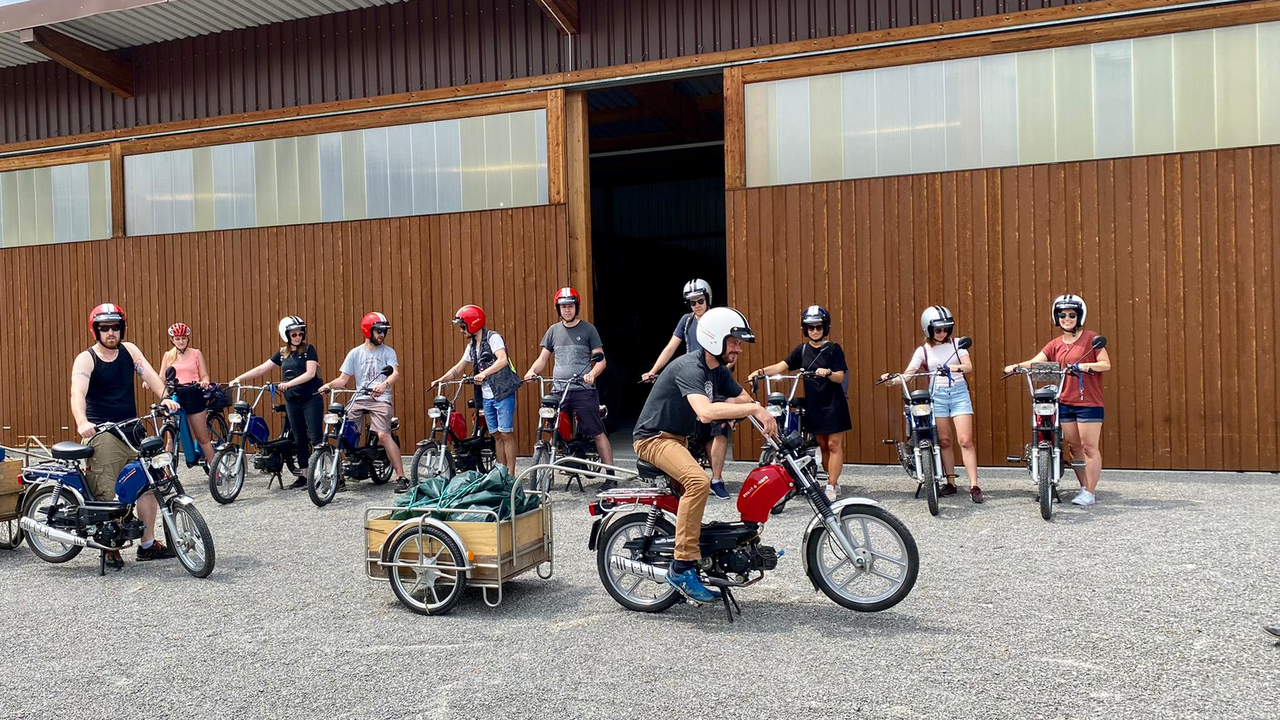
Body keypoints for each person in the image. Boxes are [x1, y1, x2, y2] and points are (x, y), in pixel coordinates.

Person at [633, 307, 777, 603]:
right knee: (699, 482)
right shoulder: (691, 367)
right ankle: (682, 567)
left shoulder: (717, 370)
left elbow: (744, 399)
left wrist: (767, 412)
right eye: (733, 341)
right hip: (654, 438)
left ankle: (701, 553)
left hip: (678, 440)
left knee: (693, 495)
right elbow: (706, 411)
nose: (738, 347)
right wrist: (752, 410)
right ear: (714, 339)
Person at [70, 303, 179, 563]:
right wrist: (82, 421)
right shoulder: (87, 358)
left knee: (149, 484)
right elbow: (77, 393)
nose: (110, 332)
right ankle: (110, 546)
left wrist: (165, 398)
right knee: (107, 490)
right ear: (95, 331)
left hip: (132, 428)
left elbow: (151, 376)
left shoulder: (129, 351)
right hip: (103, 432)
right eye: (104, 328)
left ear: (122, 328)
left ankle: (148, 543)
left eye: (115, 327)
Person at [1004, 294, 1112, 507]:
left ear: (1079, 316)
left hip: (1088, 403)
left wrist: (1085, 366)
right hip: (1065, 401)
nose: (1067, 318)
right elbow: (1037, 361)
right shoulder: (1055, 344)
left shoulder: (1091, 338)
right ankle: (1083, 486)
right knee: (1073, 447)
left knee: (1089, 446)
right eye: (1062, 315)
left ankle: (1090, 492)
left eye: (1072, 314)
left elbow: (1105, 364)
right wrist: (1016, 366)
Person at [641, 278, 736, 500]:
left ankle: (718, 479)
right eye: (692, 302)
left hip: (715, 378)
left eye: (700, 301)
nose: (697, 306)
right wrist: (653, 370)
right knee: (697, 432)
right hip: (693, 380)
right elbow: (671, 347)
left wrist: (724, 367)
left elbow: (730, 354)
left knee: (719, 430)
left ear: (708, 298)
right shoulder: (686, 322)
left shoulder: (718, 320)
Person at [749, 305, 851, 507]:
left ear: (825, 328)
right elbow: (781, 366)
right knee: (822, 445)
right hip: (814, 404)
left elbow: (840, 376)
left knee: (833, 445)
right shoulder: (802, 350)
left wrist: (828, 372)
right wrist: (759, 371)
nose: (814, 331)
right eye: (810, 327)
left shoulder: (833, 349)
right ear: (805, 329)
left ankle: (831, 485)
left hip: (834, 404)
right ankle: (830, 477)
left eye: (818, 327)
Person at [880, 306, 984, 503]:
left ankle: (974, 485)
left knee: (965, 440)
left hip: (959, 393)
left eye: (946, 329)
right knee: (944, 440)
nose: (942, 333)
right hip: (937, 396)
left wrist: (954, 367)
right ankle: (951, 482)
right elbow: (908, 375)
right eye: (938, 330)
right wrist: (890, 380)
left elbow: (968, 367)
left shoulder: (957, 344)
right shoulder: (923, 351)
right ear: (928, 329)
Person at [523, 287, 615, 488]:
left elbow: (601, 360)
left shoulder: (589, 330)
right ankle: (552, 468)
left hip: (583, 390)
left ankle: (611, 476)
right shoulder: (553, 331)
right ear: (558, 308)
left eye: (570, 306)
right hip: (559, 389)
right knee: (552, 426)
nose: (567, 310)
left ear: (576, 307)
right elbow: (542, 359)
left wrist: (592, 374)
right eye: (563, 307)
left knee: (596, 432)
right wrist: (532, 371)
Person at [318, 312, 410, 493]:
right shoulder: (355, 353)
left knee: (383, 435)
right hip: (360, 398)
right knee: (343, 432)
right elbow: (343, 379)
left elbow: (395, 373)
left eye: (384, 331)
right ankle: (340, 477)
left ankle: (401, 477)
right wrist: (328, 385)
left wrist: (384, 385)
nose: (382, 335)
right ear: (368, 331)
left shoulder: (388, 352)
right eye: (379, 331)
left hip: (380, 398)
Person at [231, 316, 324, 489]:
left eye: (300, 334)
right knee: (299, 438)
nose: (298, 337)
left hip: (311, 398)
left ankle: (319, 474)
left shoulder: (309, 350)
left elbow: (310, 373)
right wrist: (239, 378)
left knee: (316, 437)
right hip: (292, 401)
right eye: (294, 334)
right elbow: (261, 368)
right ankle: (304, 476)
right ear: (286, 335)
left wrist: (288, 384)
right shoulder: (282, 353)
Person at [432, 305, 521, 473]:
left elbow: (502, 360)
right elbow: (459, 367)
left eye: (463, 327)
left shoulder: (493, 338)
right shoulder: (472, 346)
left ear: (473, 324)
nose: (461, 331)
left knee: (506, 433)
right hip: (487, 396)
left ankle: (511, 474)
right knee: (496, 434)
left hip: (502, 392)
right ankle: (500, 473)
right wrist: (441, 379)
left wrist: (484, 374)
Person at [158, 322, 217, 471]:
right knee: (170, 438)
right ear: (172, 340)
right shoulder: (168, 356)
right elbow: (161, 378)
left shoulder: (196, 353)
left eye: (183, 338)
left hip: (193, 394)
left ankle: (217, 471)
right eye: (177, 339)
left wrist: (204, 382)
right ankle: (167, 474)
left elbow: (204, 375)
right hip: (175, 396)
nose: (181, 341)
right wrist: (148, 382)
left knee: (202, 437)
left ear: (188, 339)